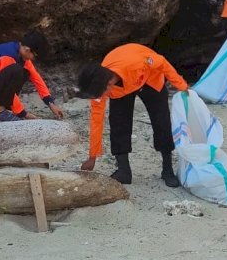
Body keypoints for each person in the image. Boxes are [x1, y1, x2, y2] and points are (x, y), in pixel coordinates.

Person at [77, 44, 188, 188]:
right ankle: (123, 171)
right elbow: (96, 121)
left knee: (161, 121)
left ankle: (167, 170)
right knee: (118, 123)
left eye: (101, 95)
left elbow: (161, 61)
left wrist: (182, 86)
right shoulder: (98, 84)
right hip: (122, 89)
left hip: (149, 78)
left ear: (108, 84)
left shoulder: (137, 64)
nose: (100, 98)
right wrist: (92, 156)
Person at [0, 30, 65, 121]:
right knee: (17, 70)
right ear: (27, 50)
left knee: (25, 71)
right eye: (34, 56)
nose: (33, 59)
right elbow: (7, 85)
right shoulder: (8, 56)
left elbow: (36, 78)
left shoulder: (20, 54)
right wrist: (23, 113)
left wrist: (50, 103)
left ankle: (1, 107)